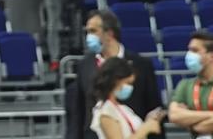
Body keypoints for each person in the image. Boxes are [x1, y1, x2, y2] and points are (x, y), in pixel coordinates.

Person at [68, 10, 162, 139]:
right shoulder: (85, 65)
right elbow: (78, 111)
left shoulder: (141, 65)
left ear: (109, 33)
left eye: (93, 31)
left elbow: (153, 108)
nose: (88, 37)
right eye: (87, 32)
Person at [88, 57, 166, 138]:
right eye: (128, 83)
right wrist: (145, 129)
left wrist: (148, 121)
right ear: (115, 80)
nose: (130, 88)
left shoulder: (123, 108)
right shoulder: (106, 111)